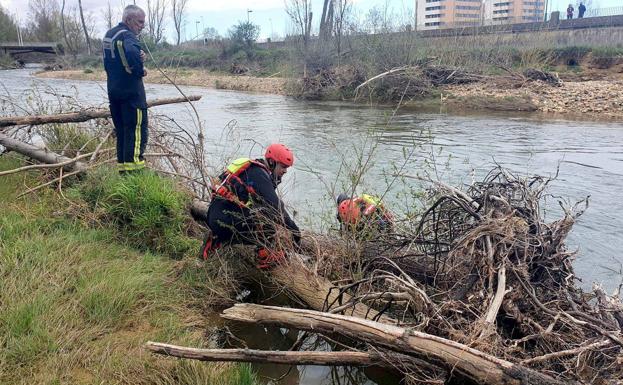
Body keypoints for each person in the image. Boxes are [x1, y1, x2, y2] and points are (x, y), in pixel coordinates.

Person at [201, 144, 301, 268]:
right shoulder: (259, 175)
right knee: (268, 217)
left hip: (216, 215)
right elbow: (276, 206)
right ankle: (264, 256)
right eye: (283, 166)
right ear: (271, 162)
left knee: (263, 211)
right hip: (224, 220)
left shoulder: (252, 169)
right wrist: (295, 231)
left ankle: (217, 240)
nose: (285, 171)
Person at [103, 5, 148, 173]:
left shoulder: (109, 35)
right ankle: (136, 174)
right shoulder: (128, 36)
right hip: (132, 96)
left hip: (114, 93)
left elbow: (110, 61)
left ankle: (123, 172)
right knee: (136, 134)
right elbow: (130, 51)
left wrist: (138, 55)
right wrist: (140, 69)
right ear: (128, 20)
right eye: (140, 22)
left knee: (122, 133)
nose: (142, 26)